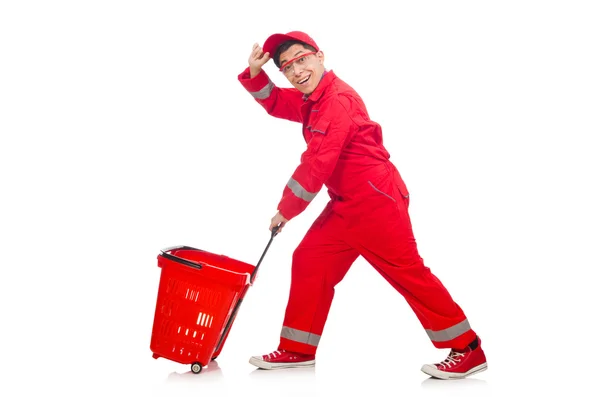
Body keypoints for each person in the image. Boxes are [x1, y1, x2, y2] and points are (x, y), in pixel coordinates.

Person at [237, 31, 487, 380]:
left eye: (301, 60)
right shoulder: (314, 99)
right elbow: (278, 103)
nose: (295, 71)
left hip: (376, 203)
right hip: (346, 205)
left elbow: (316, 164)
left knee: (408, 274)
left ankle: (468, 348)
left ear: (320, 57)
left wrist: (287, 209)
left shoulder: (337, 101)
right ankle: (297, 348)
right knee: (310, 259)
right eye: (286, 67)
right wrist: (255, 72)